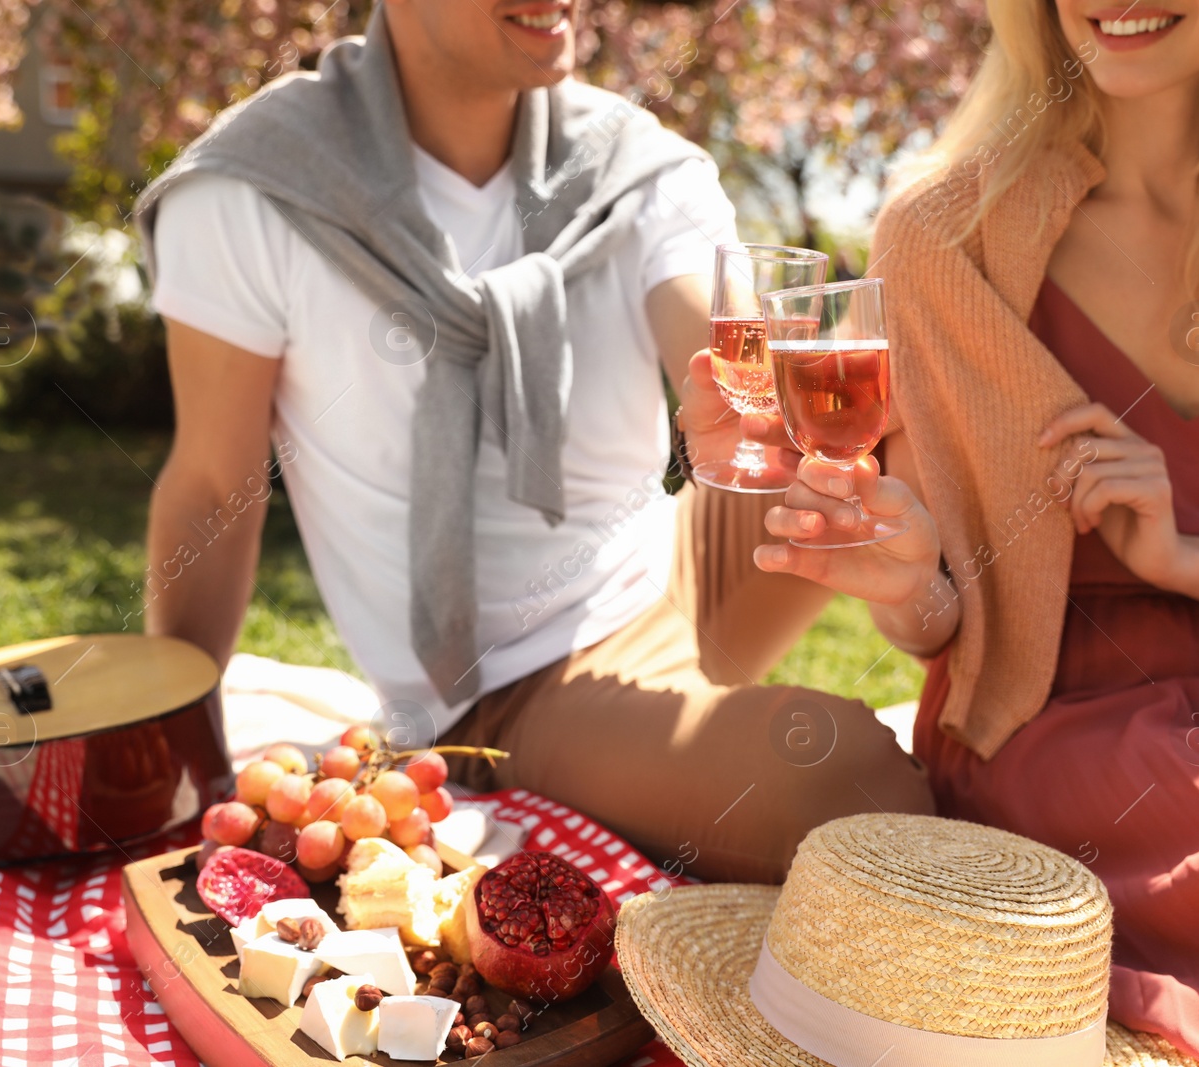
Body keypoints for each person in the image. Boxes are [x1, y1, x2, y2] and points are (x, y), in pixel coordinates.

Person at [133, 0, 931, 885]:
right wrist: (178, 761)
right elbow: (213, 486)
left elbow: (725, 352)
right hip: (519, 679)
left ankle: (1038, 725)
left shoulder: (632, 166)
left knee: (913, 404)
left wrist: (755, 403)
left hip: (676, 561)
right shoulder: (255, 190)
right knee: (848, 787)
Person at [750, 0, 1199, 1061]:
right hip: (1051, 731)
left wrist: (1189, 560)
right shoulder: (944, 236)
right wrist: (901, 578)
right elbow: (937, 623)